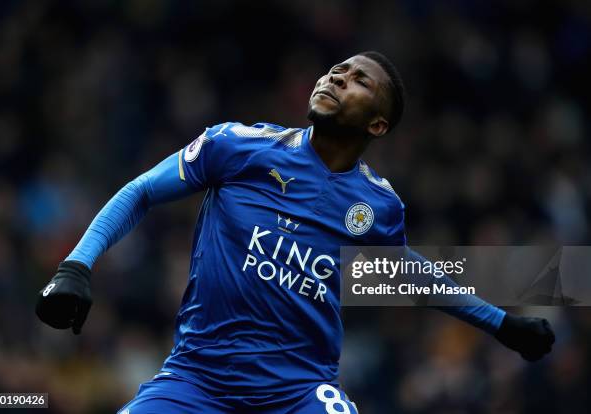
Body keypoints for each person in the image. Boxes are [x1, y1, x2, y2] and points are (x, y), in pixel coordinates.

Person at [36, 51, 555, 413]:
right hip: (197, 379)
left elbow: (406, 275)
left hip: (298, 392)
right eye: (336, 70)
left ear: (377, 124)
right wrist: (75, 266)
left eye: (357, 81)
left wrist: (500, 325)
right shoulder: (236, 146)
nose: (335, 78)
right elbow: (142, 191)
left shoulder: (379, 206)